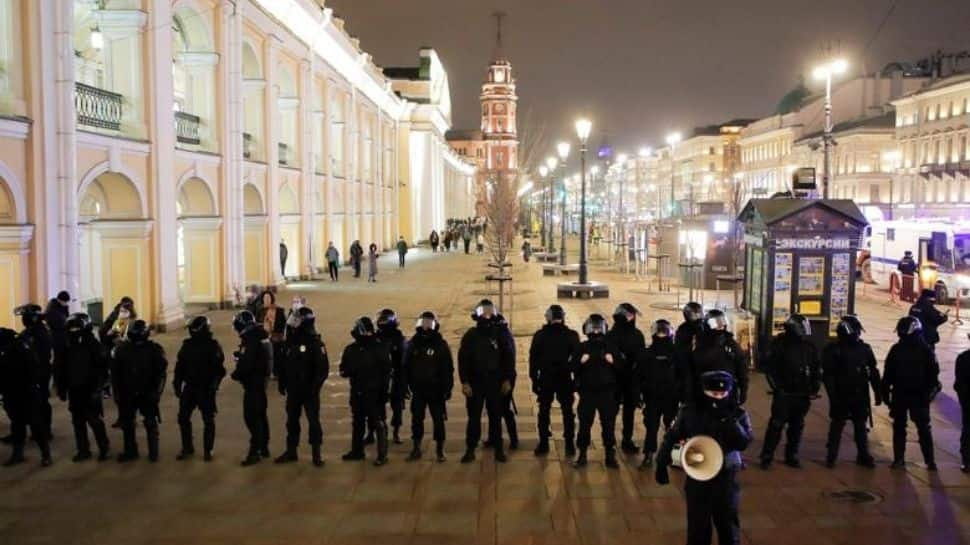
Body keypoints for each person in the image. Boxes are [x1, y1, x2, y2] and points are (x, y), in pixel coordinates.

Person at [655, 370, 753, 545]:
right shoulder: (689, 412)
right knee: (698, 527)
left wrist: (730, 421)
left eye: (723, 394)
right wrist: (661, 462)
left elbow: (744, 442)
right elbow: (672, 435)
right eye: (713, 393)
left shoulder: (738, 414)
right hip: (697, 476)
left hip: (726, 475)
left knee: (728, 525)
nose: (718, 397)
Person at [758, 314, 821, 469]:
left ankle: (791, 454)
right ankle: (767, 456)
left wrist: (815, 385)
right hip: (785, 393)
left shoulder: (809, 347)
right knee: (776, 425)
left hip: (802, 393)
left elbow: (816, 368)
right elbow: (770, 369)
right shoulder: (779, 345)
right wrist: (777, 388)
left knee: (797, 425)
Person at [458, 299, 516, 463]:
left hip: (495, 382)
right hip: (475, 383)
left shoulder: (499, 334)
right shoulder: (470, 335)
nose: (487, 315)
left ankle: (498, 449)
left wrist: (507, 379)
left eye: (489, 312)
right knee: (474, 417)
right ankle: (470, 449)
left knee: (496, 417)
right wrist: (465, 382)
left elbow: (508, 358)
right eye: (483, 312)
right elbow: (463, 360)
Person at [822, 315, 881, 468]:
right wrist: (833, 396)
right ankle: (832, 456)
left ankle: (861, 454)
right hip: (845, 393)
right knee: (840, 425)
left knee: (858, 426)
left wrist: (878, 392)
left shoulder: (862, 349)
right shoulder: (836, 350)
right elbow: (828, 376)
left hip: (856, 393)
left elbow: (873, 371)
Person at [276, 307, 329, 467]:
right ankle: (291, 451)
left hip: (309, 391)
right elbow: (284, 364)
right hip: (293, 390)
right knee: (291, 421)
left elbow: (322, 370)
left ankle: (316, 454)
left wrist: (314, 388)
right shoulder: (290, 342)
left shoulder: (315, 343)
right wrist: (282, 382)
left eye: (296, 321)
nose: (292, 324)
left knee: (313, 422)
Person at [883, 316, 939, 470]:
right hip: (911, 395)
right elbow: (934, 375)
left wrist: (885, 391)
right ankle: (927, 461)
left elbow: (888, 373)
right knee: (918, 428)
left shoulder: (913, 350)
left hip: (910, 395)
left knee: (908, 427)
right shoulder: (924, 350)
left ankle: (910, 460)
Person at [2, 305, 54, 467]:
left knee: (36, 421)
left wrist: (34, 383)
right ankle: (18, 453)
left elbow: (36, 363)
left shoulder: (35, 336)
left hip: (30, 387)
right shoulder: (23, 338)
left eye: (25, 316)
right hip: (15, 390)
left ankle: (46, 452)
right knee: (17, 423)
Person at [54, 313, 110, 463]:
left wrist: (98, 388)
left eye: (75, 328)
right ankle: (83, 450)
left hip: (90, 389)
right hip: (75, 390)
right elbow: (61, 368)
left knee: (94, 421)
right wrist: (61, 388)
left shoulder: (93, 345)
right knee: (78, 422)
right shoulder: (67, 345)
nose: (73, 331)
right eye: (71, 329)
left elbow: (102, 369)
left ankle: (104, 448)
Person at [572, 313, 624, 468]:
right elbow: (571, 367)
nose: (595, 332)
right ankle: (582, 455)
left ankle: (610, 455)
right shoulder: (582, 347)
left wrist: (613, 361)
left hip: (606, 393)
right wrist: (580, 362)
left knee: (608, 425)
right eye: (592, 329)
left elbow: (622, 367)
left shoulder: (610, 347)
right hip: (587, 392)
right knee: (584, 425)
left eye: (598, 329)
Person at [111, 319, 167, 463]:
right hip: (128, 392)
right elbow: (116, 374)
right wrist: (117, 392)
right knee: (128, 423)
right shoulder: (122, 350)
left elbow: (161, 373)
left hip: (146, 391)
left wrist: (156, 392)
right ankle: (130, 451)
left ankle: (153, 452)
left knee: (149, 422)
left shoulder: (154, 350)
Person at [529, 304, 581, 457]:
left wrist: (534, 379)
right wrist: (575, 378)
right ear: (563, 318)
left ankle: (544, 442)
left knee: (544, 410)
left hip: (546, 378)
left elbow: (534, 359)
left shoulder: (540, 335)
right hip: (564, 378)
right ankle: (569, 444)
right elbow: (577, 359)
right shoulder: (571, 335)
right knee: (567, 412)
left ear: (548, 318)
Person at [340, 317, 392, 466]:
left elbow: (386, 372)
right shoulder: (352, 349)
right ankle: (357, 451)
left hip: (374, 394)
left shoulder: (379, 348)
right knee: (358, 423)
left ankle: (382, 454)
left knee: (378, 423)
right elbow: (344, 370)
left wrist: (384, 392)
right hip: (358, 392)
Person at [173, 316, 226, 462]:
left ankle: (208, 449)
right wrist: (177, 383)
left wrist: (214, 386)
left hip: (206, 389)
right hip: (190, 387)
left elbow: (220, 371)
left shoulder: (213, 346)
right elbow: (180, 366)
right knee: (183, 418)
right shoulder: (187, 345)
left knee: (208, 419)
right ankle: (187, 447)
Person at [404, 311, 454, 462]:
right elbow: (406, 366)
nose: (425, 328)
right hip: (418, 390)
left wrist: (447, 388)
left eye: (428, 324)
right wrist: (405, 386)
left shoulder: (441, 345)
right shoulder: (413, 344)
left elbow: (448, 368)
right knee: (416, 420)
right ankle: (416, 447)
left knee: (438, 420)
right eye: (423, 324)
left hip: (436, 391)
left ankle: (440, 449)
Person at [637, 319, 681, 469]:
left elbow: (638, 375)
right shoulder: (676, 353)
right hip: (669, 397)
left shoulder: (647, 353)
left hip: (654, 396)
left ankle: (649, 455)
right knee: (671, 427)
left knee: (653, 427)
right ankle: (670, 456)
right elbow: (684, 376)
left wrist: (639, 395)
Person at [231, 310, 273, 466]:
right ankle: (264, 447)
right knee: (261, 415)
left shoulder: (251, 340)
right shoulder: (260, 335)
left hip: (253, 384)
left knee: (252, 418)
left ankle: (254, 452)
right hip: (261, 382)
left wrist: (236, 374)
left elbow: (247, 363)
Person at [606, 302, 646, 454]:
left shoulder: (610, 335)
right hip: (627, 379)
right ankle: (625, 441)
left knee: (614, 412)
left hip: (618, 379)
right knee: (625, 412)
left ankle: (612, 443)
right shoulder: (636, 335)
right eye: (631, 315)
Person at [687, 309, 748, 406]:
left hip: (727, 391)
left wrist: (743, 389)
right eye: (716, 323)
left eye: (722, 322)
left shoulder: (731, 344)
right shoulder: (700, 343)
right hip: (705, 391)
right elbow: (692, 369)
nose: (720, 326)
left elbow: (742, 367)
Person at [376, 309, 406, 444]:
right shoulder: (377, 337)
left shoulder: (398, 337)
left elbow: (404, 358)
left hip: (396, 376)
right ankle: (376, 432)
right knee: (376, 406)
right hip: (380, 376)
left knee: (397, 406)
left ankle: (396, 432)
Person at [675, 302, 705, 402]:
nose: (697, 317)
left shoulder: (704, 327)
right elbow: (679, 349)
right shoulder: (683, 329)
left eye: (699, 314)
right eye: (694, 315)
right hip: (687, 365)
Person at [257, 290, 286, 378]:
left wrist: (272, 334)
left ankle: (275, 371)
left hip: (276, 336)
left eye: (268, 298)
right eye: (265, 298)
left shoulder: (279, 310)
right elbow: (257, 324)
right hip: (263, 336)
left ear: (272, 299)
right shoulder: (260, 310)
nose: (266, 300)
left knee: (275, 349)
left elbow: (283, 324)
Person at [955, 335, 970, 472]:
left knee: (967, 430)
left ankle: (967, 461)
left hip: (968, 402)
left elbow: (958, 384)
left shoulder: (963, 358)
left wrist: (963, 400)